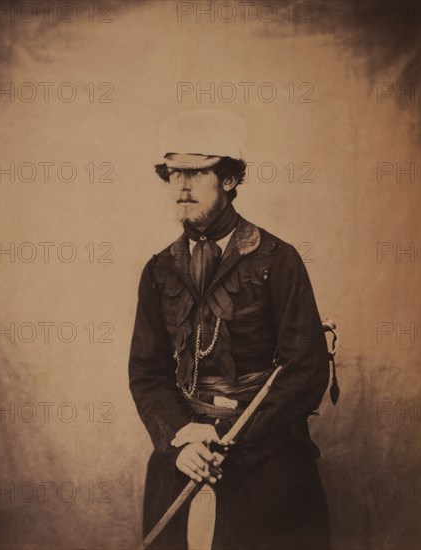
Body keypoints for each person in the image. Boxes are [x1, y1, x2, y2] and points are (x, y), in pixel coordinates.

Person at [129, 110, 331, 550]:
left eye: (197, 172)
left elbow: (307, 370)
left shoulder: (279, 261)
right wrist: (182, 439)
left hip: (265, 454)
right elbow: (147, 373)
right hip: (185, 454)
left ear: (229, 179)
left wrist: (228, 436)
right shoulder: (158, 271)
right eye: (173, 172)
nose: (181, 185)